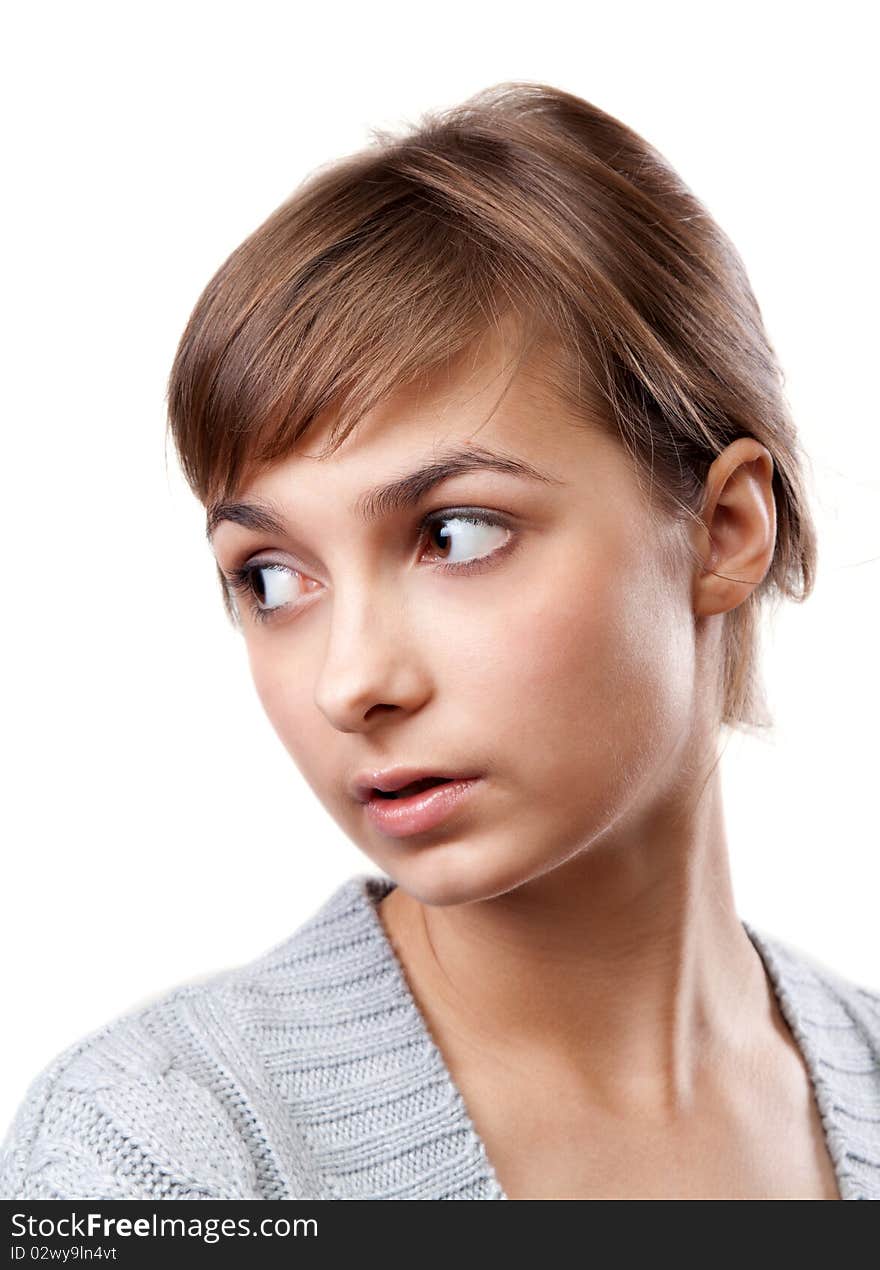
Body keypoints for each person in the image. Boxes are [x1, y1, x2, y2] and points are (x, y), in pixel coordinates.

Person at [2, 81, 878, 1202]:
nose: (350, 681)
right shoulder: (157, 1157)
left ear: (724, 529)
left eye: (453, 533)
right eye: (271, 577)